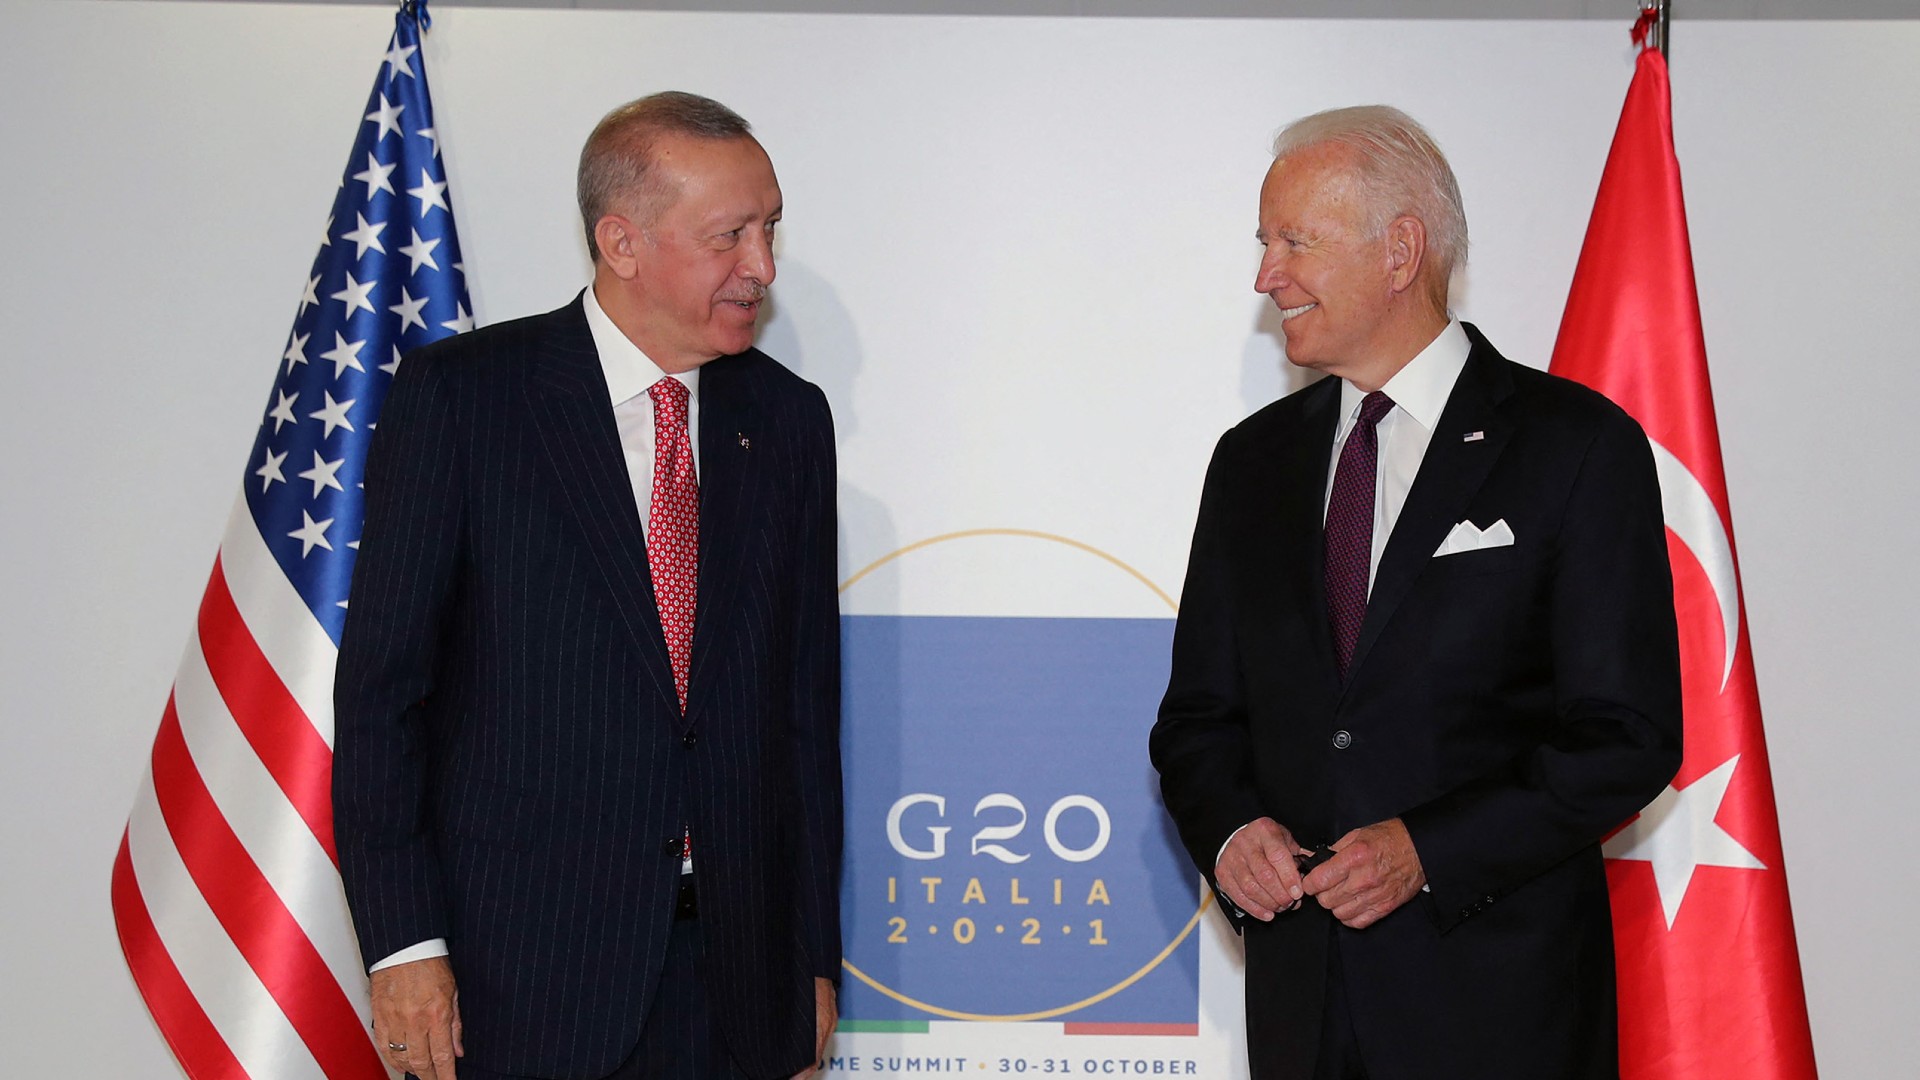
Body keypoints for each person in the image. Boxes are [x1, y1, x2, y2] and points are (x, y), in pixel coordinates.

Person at [1148, 105, 1682, 1080]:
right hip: (1302, 1012)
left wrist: (1427, 850)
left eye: (1293, 242)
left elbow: (1626, 735)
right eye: (1265, 243)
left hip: (1498, 1015)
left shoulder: (1573, 447)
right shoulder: (1251, 464)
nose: (1265, 276)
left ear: (1401, 250)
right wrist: (1229, 832)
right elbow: (1197, 721)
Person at [333, 91, 842, 1080]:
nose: (764, 267)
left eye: (770, 227)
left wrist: (812, 958)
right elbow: (383, 697)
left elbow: (801, 716)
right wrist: (405, 947)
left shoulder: (787, 422)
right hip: (519, 978)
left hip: (737, 981)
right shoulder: (468, 400)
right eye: (730, 235)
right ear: (623, 241)